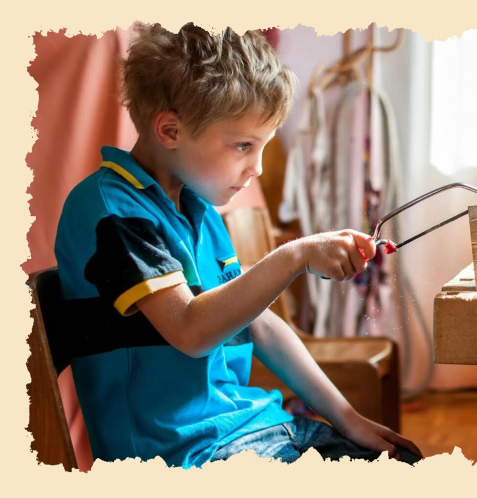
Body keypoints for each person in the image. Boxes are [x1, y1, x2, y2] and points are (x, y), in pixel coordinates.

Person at [54, 22, 422, 469]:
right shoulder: (112, 211)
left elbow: (260, 325)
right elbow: (191, 331)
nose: (257, 168)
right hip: (182, 455)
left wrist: (348, 418)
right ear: (170, 131)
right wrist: (295, 256)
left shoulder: (198, 210)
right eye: (244, 145)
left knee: (403, 463)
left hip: (252, 428)